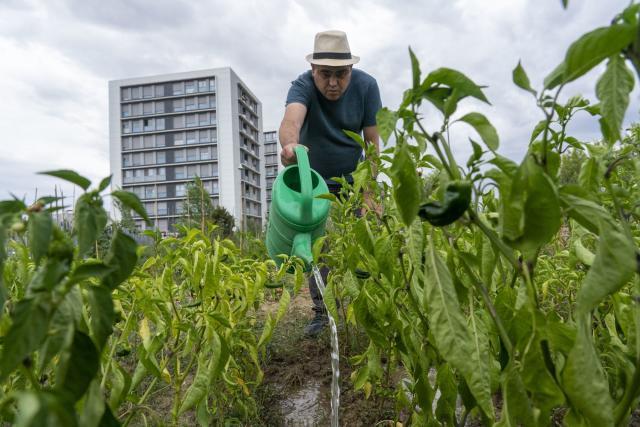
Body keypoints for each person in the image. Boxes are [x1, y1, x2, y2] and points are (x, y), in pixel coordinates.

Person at [278, 30, 382, 337]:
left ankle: (369, 308)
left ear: (351, 70)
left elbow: (373, 143)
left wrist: (370, 188)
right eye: (325, 75)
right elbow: (290, 122)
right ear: (314, 71)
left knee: (370, 239)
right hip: (315, 183)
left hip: (354, 181)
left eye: (341, 74)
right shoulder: (302, 85)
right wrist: (290, 147)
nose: (333, 83)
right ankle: (322, 314)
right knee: (319, 247)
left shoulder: (366, 86)